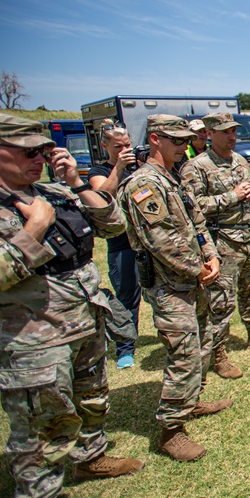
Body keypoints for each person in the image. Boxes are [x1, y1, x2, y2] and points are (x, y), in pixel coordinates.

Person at [0, 113, 143, 498]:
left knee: (92, 395)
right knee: (42, 419)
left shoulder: (54, 190)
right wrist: (35, 229)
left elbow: (113, 224)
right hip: (30, 335)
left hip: (83, 319)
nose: (39, 158)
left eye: (43, 150)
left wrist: (77, 182)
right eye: (28, 152)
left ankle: (91, 456)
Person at [118, 114, 232, 463]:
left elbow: (197, 222)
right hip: (170, 284)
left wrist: (210, 255)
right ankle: (171, 430)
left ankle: (192, 400)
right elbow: (161, 241)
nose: (184, 145)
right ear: (155, 139)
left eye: (186, 140)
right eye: (176, 140)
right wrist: (198, 268)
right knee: (183, 350)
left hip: (194, 277)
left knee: (200, 342)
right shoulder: (144, 184)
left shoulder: (173, 177)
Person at [181, 112, 250, 381]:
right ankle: (218, 354)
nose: (232, 136)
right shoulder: (196, 167)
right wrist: (232, 196)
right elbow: (194, 208)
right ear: (210, 134)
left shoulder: (240, 161)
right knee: (220, 301)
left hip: (247, 236)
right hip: (221, 241)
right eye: (225, 132)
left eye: (234, 131)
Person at [86, 121, 141, 369]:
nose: (124, 150)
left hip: (147, 242)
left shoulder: (138, 166)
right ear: (104, 145)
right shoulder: (98, 170)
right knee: (127, 298)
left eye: (127, 145)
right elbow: (102, 198)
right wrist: (119, 167)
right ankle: (125, 349)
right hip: (122, 244)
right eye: (118, 146)